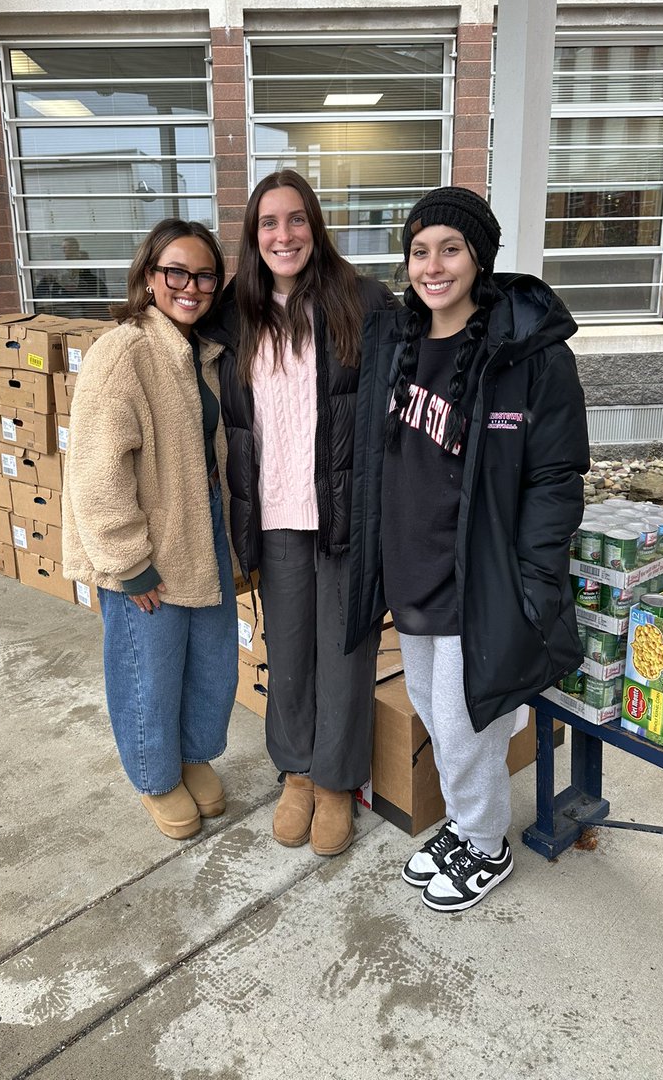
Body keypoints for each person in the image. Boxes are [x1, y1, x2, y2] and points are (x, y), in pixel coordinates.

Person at [345, 186, 589, 910]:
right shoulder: (401, 339)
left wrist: (534, 576)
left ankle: (486, 844)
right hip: (413, 571)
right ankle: (463, 819)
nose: (432, 265)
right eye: (419, 251)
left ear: (478, 256)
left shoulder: (529, 354)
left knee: (464, 720)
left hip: (476, 578)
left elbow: (554, 476)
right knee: (430, 705)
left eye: (449, 247)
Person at [208, 170, 398, 857]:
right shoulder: (234, 315)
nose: (282, 235)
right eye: (268, 223)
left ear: (314, 227)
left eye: (295, 220)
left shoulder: (366, 302)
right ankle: (295, 771)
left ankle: (337, 782)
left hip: (345, 515)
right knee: (287, 654)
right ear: (253, 236)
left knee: (345, 655)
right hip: (274, 515)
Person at [62, 218, 238, 841]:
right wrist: (127, 559)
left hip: (202, 532)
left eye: (205, 276)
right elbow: (95, 468)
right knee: (148, 670)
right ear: (148, 277)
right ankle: (155, 777)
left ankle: (192, 756)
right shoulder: (124, 351)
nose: (191, 287)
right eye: (176, 273)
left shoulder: (198, 350)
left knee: (211, 660)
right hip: (145, 546)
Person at [35, 237, 109, 318]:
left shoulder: (87, 265)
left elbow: (92, 285)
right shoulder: (60, 266)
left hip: (80, 299)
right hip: (64, 299)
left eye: (66, 247)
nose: (64, 250)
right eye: (63, 248)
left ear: (75, 247)